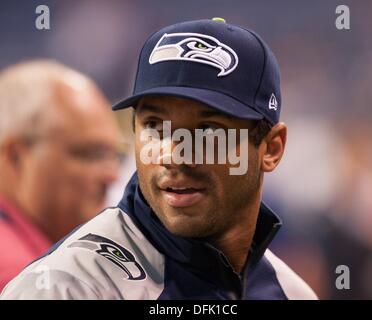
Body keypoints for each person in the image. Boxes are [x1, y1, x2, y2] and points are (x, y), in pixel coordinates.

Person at [1, 19, 317, 299]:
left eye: (207, 130)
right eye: (154, 126)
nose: (174, 155)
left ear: (271, 148)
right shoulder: (66, 288)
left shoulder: (292, 293)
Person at [0, 60, 121, 291]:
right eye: (91, 154)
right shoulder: (21, 278)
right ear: (16, 157)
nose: (112, 176)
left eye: (113, 156)